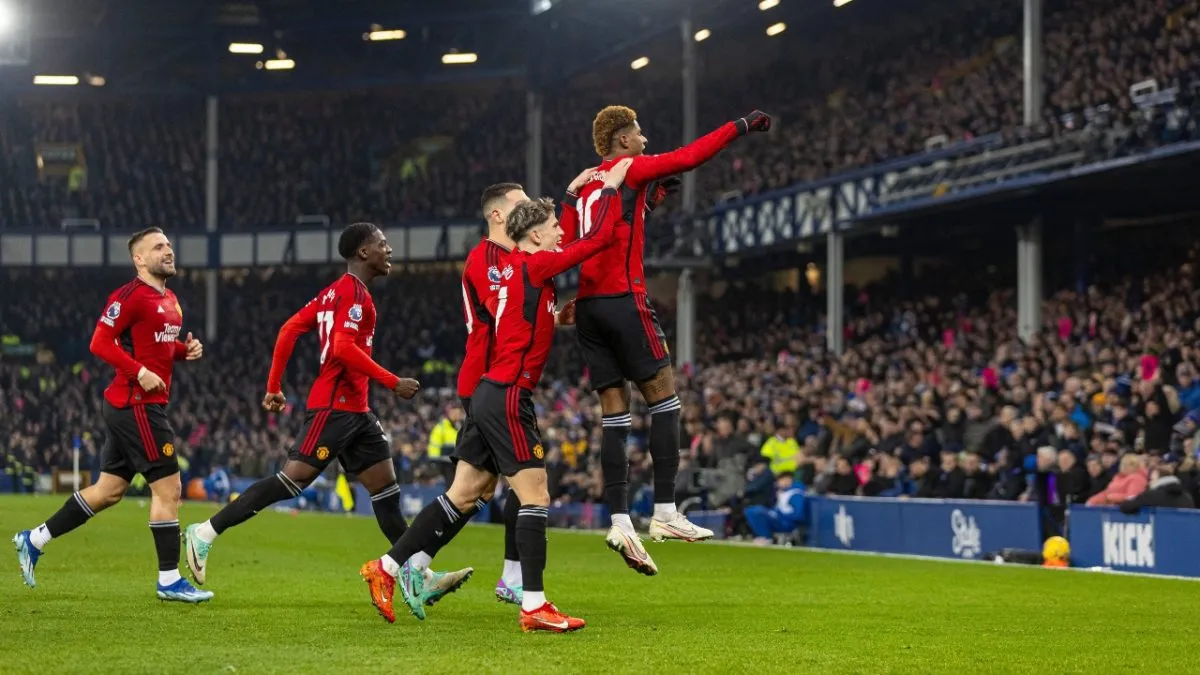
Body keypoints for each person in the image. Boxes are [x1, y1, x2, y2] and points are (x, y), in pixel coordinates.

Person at [359, 159, 634, 633]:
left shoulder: (522, 266)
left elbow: (528, 286)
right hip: (503, 391)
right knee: (534, 495)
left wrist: (548, 309)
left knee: (468, 492)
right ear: (515, 225)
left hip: (495, 389)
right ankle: (531, 601)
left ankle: (386, 567)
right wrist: (608, 189)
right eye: (549, 225)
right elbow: (593, 241)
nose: (558, 231)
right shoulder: (520, 263)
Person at [181, 223, 471, 604]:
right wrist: (392, 381)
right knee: (291, 482)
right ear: (363, 253)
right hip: (334, 409)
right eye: (382, 244)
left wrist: (273, 386)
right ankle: (205, 532)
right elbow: (341, 347)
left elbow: (288, 329)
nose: (389, 250)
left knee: (386, 493)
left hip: (358, 412)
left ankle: (417, 574)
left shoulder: (336, 292)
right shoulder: (352, 293)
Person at [564, 105, 772, 567]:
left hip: (590, 308)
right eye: (638, 131)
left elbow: (595, 231)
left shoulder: (585, 185)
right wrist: (739, 125)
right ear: (621, 139)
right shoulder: (631, 168)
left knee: (614, 416)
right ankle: (664, 512)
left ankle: (619, 520)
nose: (644, 137)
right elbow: (691, 155)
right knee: (665, 401)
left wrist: (650, 202)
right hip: (624, 300)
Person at [12, 227, 212, 602]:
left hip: (133, 405)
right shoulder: (128, 297)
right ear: (139, 259)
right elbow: (99, 342)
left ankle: (34, 539)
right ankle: (169, 579)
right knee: (169, 488)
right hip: (137, 405)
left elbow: (160, 349)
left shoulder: (171, 300)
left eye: (169, 244)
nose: (168, 250)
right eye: (158, 247)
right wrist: (139, 372)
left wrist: (185, 352)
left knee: (109, 491)